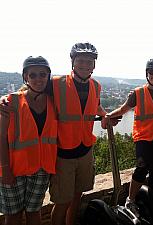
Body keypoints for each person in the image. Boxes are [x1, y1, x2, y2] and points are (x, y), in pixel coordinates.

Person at [49, 42, 110, 225]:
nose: (85, 65)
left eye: (89, 62)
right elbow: (29, 92)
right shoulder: (56, 84)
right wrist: (5, 100)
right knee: (62, 202)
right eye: (81, 61)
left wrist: (105, 115)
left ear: (94, 65)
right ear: (73, 62)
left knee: (77, 196)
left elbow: (94, 105)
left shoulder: (96, 86)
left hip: (85, 151)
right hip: (63, 153)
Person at [105, 58, 153, 217]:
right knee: (141, 169)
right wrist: (108, 116)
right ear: (147, 74)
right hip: (144, 138)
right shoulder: (138, 93)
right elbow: (123, 109)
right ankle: (130, 200)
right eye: (152, 72)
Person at [0, 56, 57, 225]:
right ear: (25, 77)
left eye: (42, 74)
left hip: (41, 168)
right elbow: (1, 136)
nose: (38, 79)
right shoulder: (11, 101)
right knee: (13, 215)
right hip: (14, 168)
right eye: (33, 75)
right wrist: (4, 169)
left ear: (48, 76)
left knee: (34, 212)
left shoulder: (54, 102)